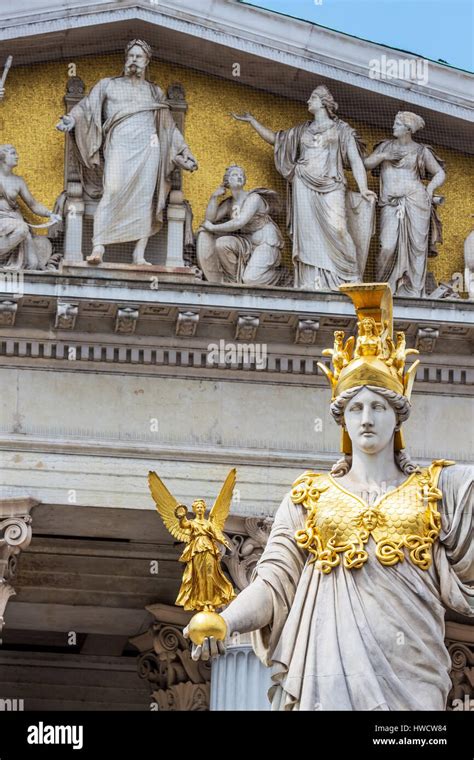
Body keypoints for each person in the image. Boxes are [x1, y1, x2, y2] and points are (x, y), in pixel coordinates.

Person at [186, 283, 473, 711]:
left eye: (379, 406)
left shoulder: (436, 491)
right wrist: (225, 623)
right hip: (330, 677)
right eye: (356, 408)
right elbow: (271, 586)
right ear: (341, 418)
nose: (367, 418)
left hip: (412, 674)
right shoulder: (310, 498)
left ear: (399, 414)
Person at [56, 39, 197, 266]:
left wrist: (184, 152)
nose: (133, 60)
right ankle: (98, 247)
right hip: (119, 146)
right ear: (125, 59)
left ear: (147, 61)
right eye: (130, 56)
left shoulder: (154, 91)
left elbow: (168, 126)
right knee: (111, 189)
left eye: (138, 57)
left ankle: (139, 255)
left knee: (146, 199)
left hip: (149, 148)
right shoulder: (108, 85)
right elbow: (87, 108)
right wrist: (70, 119)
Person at [232, 86, 376, 290]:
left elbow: (354, 159)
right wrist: (253, 122)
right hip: (303, 183)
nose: (308, 101)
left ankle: (352, 276)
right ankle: (311, 281)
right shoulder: (301, 131)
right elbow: (277, 140)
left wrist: (363, 188)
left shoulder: (342, 130)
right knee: (308, 234)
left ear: (323, 102)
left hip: (332, 184)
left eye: (312, 97)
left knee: (339, 228)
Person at [364, 112, 446, 297]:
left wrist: (430, 189)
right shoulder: (386, 146)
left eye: (397, 124)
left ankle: (413, 291)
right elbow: (366, 164)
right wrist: (384, 156)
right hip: (391, 204)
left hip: (416, 203)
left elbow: (440, 173)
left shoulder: (421, 151)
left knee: (416, 249)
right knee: (387, 245)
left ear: (408, 129)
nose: (394, 126)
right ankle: (384, 289)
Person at [197, 164, 283, 285]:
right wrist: (214, 197)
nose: (239, 177)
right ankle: (233, 281)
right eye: (235, 175)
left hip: (265, 241)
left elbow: (239, 222)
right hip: (246, 241)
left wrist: (214, 228)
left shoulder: (254, 198)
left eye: (241, 175)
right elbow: (210, 218)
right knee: (221, 244)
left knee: (250, 279)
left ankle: (282, 276)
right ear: (227, 181)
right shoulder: (229, 203)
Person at [0, 144, 60, 269]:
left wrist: (50, 214)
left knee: (32, 264)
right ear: (2, 157)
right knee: (22, 228)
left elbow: (33, 204)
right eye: (12, 153)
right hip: (2, 220)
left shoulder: (18, 181)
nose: (17, 156)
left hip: (15, 221)